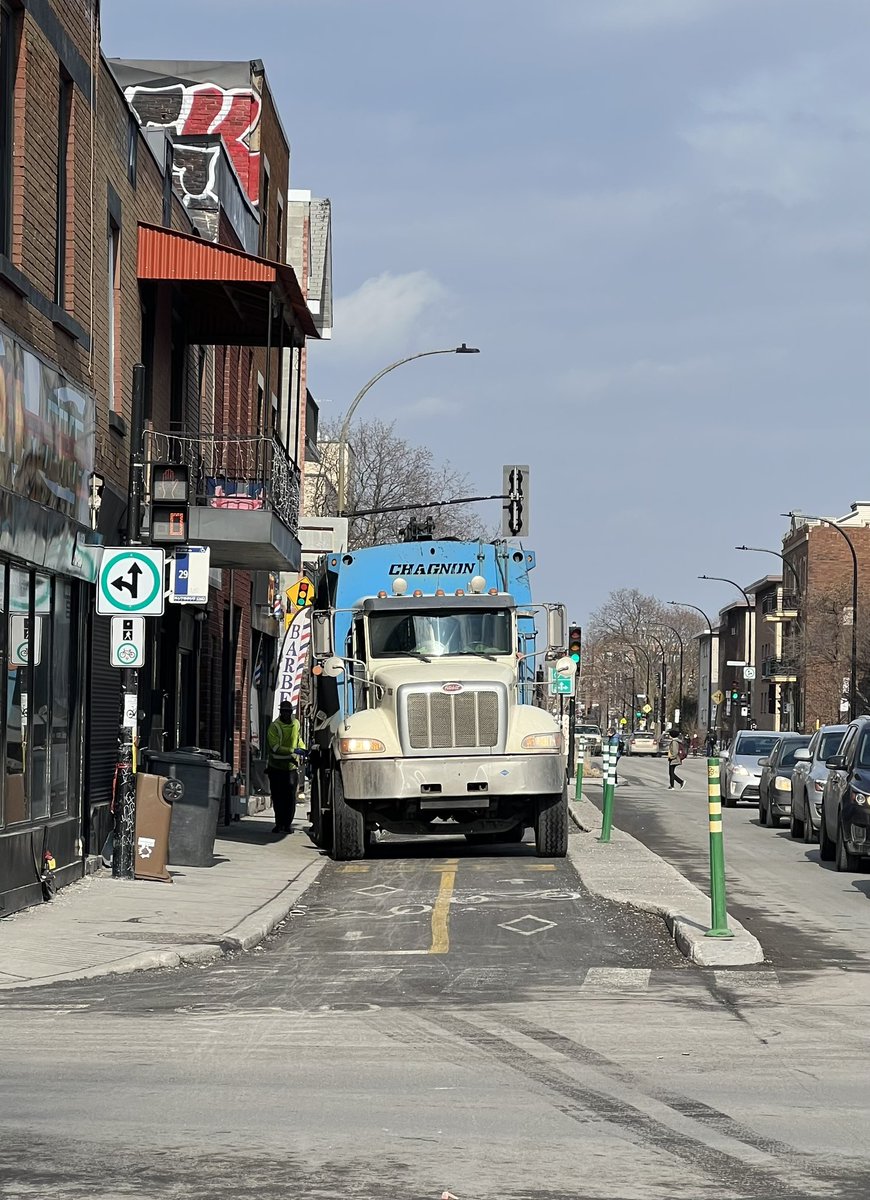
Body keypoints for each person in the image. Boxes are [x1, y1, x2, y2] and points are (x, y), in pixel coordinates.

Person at [266, 700, 306, 834]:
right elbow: (275, 747)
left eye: (288, 712)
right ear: (280, 712)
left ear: (291, 713)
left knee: (290, 799)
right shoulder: (274, 727)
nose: (286, 714)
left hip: (291, 768)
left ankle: (287, 824)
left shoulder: (296, 724)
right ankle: (279, 824)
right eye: (284, 712)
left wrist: (303, 748)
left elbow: (298, 739)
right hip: (276, 768)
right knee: (278, 798)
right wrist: (293, 751)